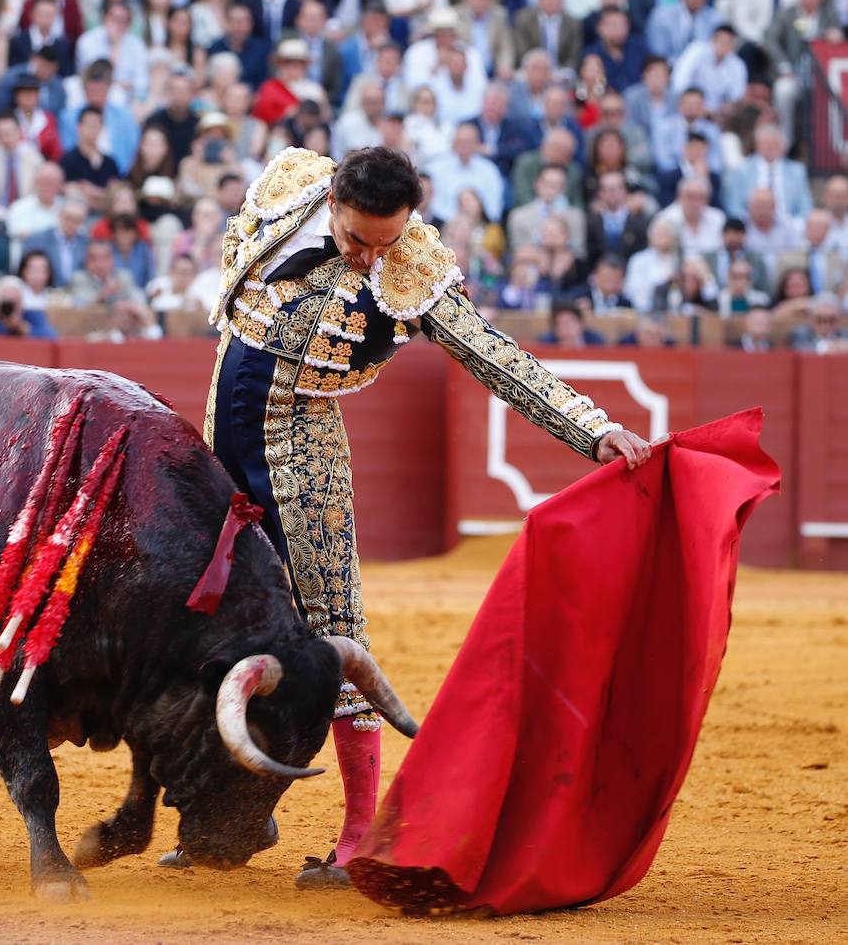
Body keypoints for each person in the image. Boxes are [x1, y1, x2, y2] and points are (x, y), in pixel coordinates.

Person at [184, 146, 650, 888]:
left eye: (386, 242)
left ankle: (360, 833)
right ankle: (235, 818)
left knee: (336, 640)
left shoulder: (416, 270)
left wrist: (589, 428)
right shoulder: (290, 183)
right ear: (331, 200)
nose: (372, 259)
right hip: (224, 431)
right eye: (357, 241)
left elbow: (495, 354)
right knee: (220, 623)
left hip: (303, 456)